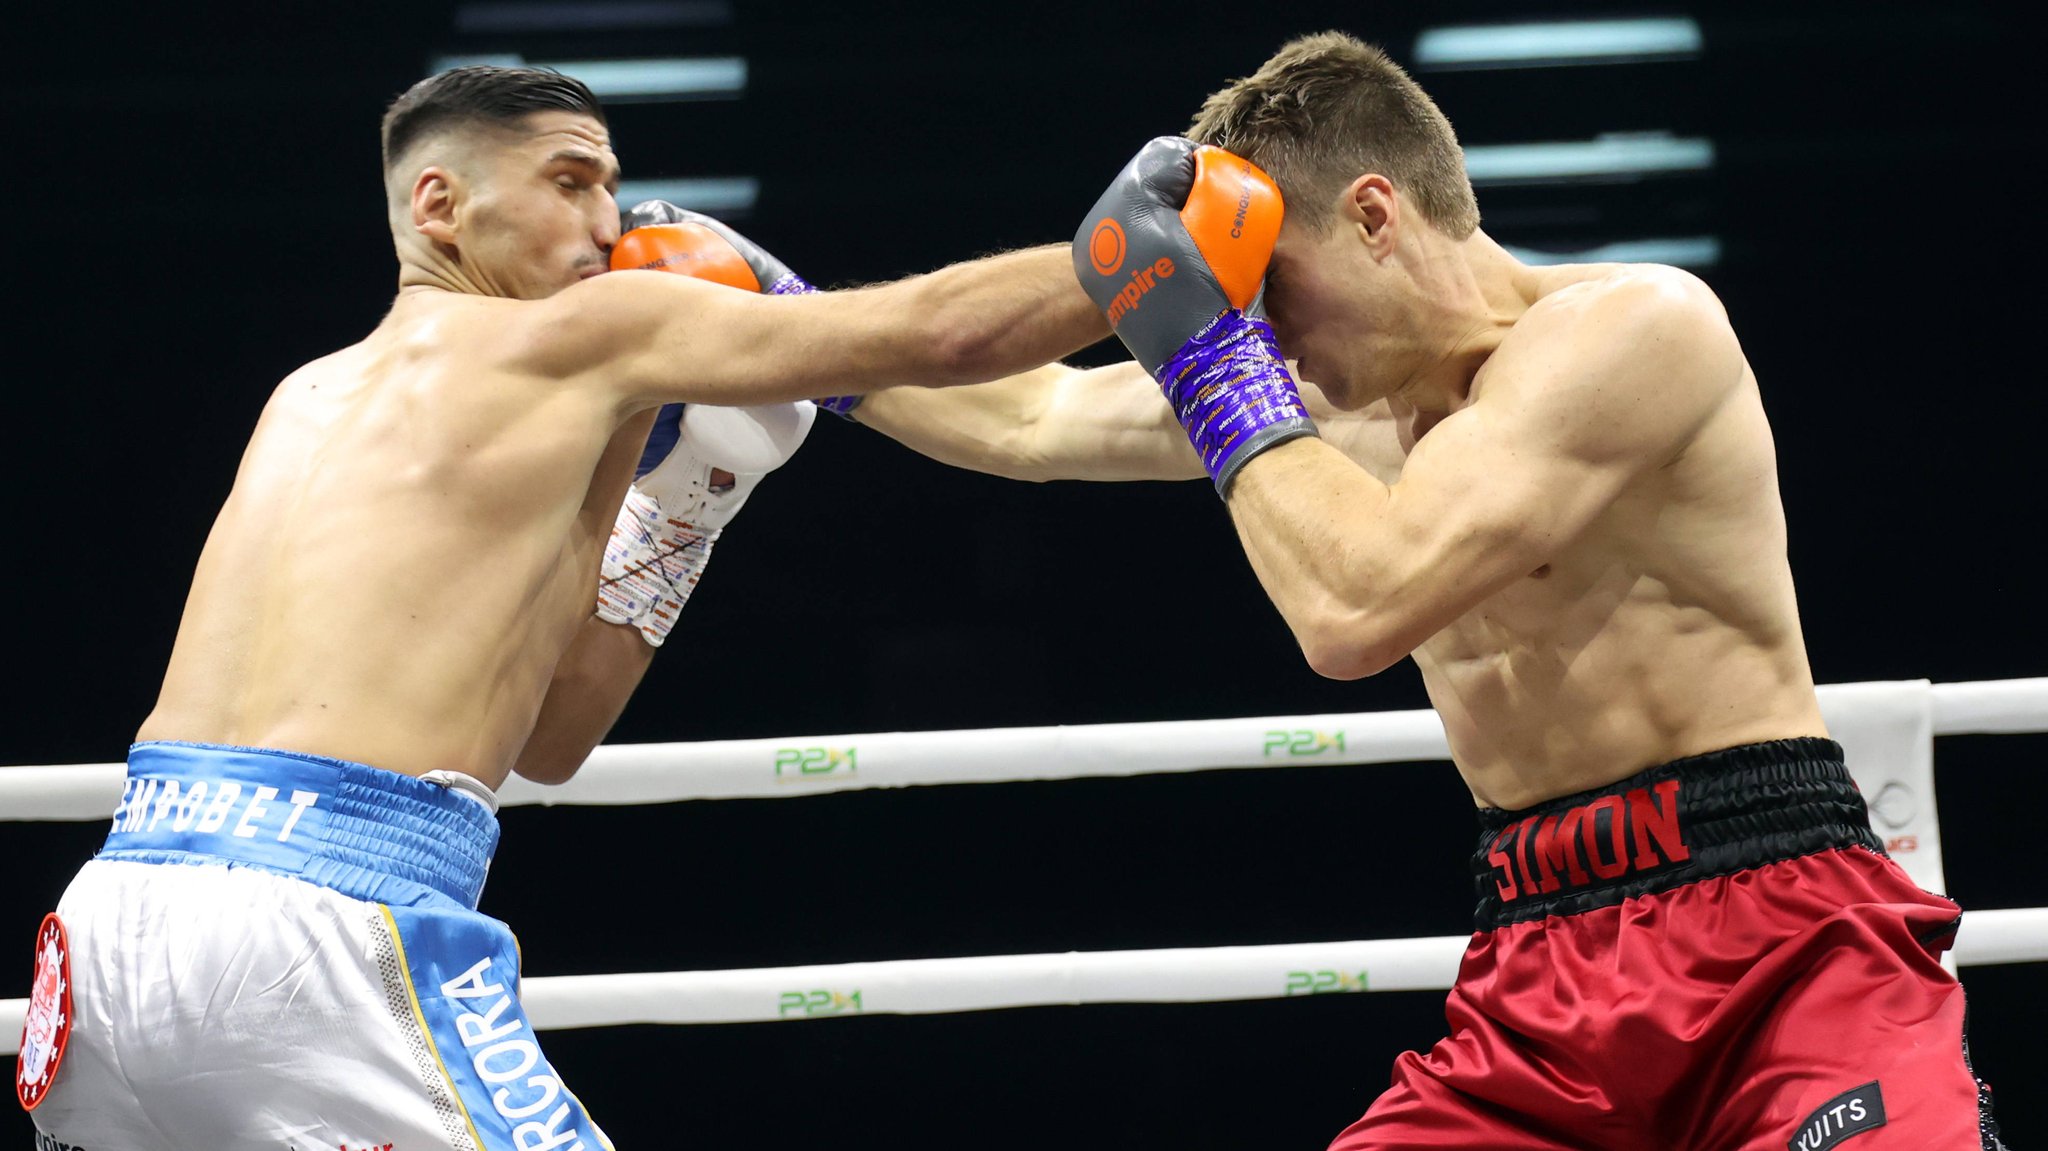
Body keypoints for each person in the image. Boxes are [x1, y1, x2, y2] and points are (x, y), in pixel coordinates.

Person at [841, 31, 2008, 1151]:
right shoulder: (1323, 405)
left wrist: (1210, 360)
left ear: (1371, 214)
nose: (1269, 343)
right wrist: (760, 302)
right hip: (1537, 972)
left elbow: (1355, 609)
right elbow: (1031, 414)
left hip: (1780, 943)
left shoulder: (1634, 329)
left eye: (1275, 292)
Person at [16, 64, 1107, 1148]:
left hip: (116, 912)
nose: (609, 222)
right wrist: (1139, 244)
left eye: (610, 187)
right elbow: (936, 335)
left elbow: (545, 738)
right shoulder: (593, 332)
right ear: (439, 204)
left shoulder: (303, 392)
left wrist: (687, 504)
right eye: (570, 181)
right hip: (321, 919)